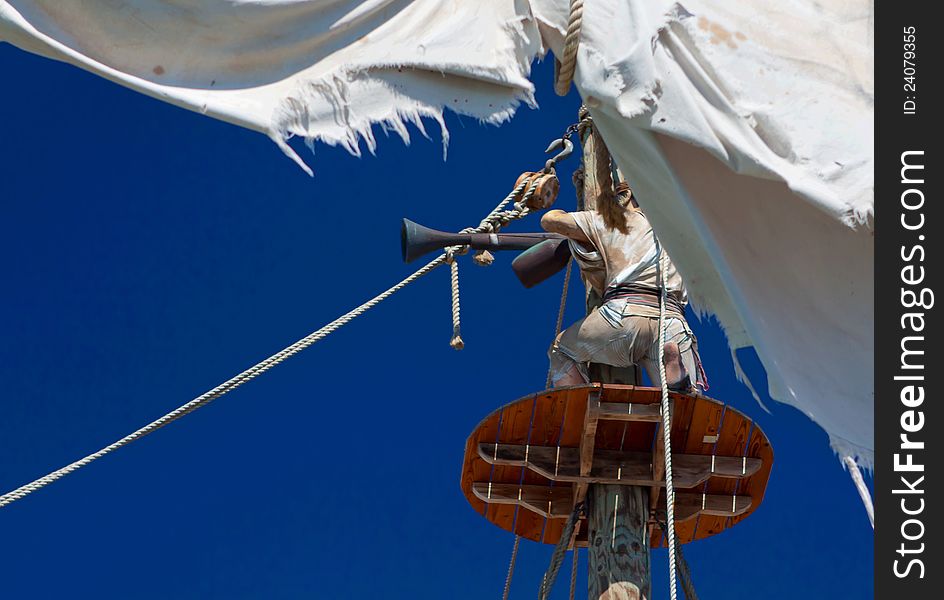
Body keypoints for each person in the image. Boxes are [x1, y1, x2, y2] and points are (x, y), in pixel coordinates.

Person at [541, 186, 706, 392]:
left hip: (624, 314)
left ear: (626, 196)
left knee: (560, 350)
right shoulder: (681, 232)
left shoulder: (612, 221)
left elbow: (550, 220)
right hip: (672, 321)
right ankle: (677, 381)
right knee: (684, 408)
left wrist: (582, 225)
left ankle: (580, 400)